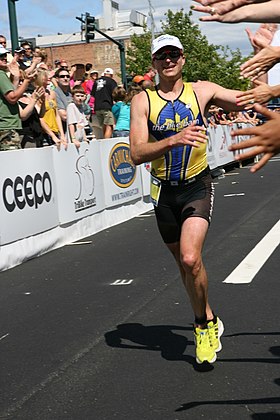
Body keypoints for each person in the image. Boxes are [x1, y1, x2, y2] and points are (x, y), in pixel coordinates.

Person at [129, 34, 247, 364]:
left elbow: (243, 99)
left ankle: (201, 326)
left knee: (191, 258)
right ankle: (209, 314)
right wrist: (173, 141)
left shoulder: (202, 91)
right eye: (161, 55)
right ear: (153, 63)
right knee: (184, 267)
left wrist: (268, 74)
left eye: (173, 54)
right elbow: (136, 154)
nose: (168, 60)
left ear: (182, 58)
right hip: (164, 192)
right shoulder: (143, 101)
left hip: (197, 184)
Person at [0, 45, 36, 150]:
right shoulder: (1, 75)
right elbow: (12, 98)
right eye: (0, 56)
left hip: (6, 126)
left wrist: (16, 78)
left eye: (4, 55)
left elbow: (10, 95)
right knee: (12, 163)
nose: (4, 58)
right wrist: (26, 82)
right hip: (6, 127)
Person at [90, 67, 118, 138]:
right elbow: (115, 93)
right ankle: (105, 143)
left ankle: (104, 140)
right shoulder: (112, 81)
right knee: (110, 126)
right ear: (111, 75)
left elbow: (93, 94)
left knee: (104, 126)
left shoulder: (96, 81)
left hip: (97, 107)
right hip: (107, 106)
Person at [54, 67, 73, 133]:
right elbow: (64, 116)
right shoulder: (55, 93)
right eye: (62, 76)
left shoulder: (70, 94)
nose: (65, 78)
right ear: (57, 79)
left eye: (67, 76)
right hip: (63, 130)